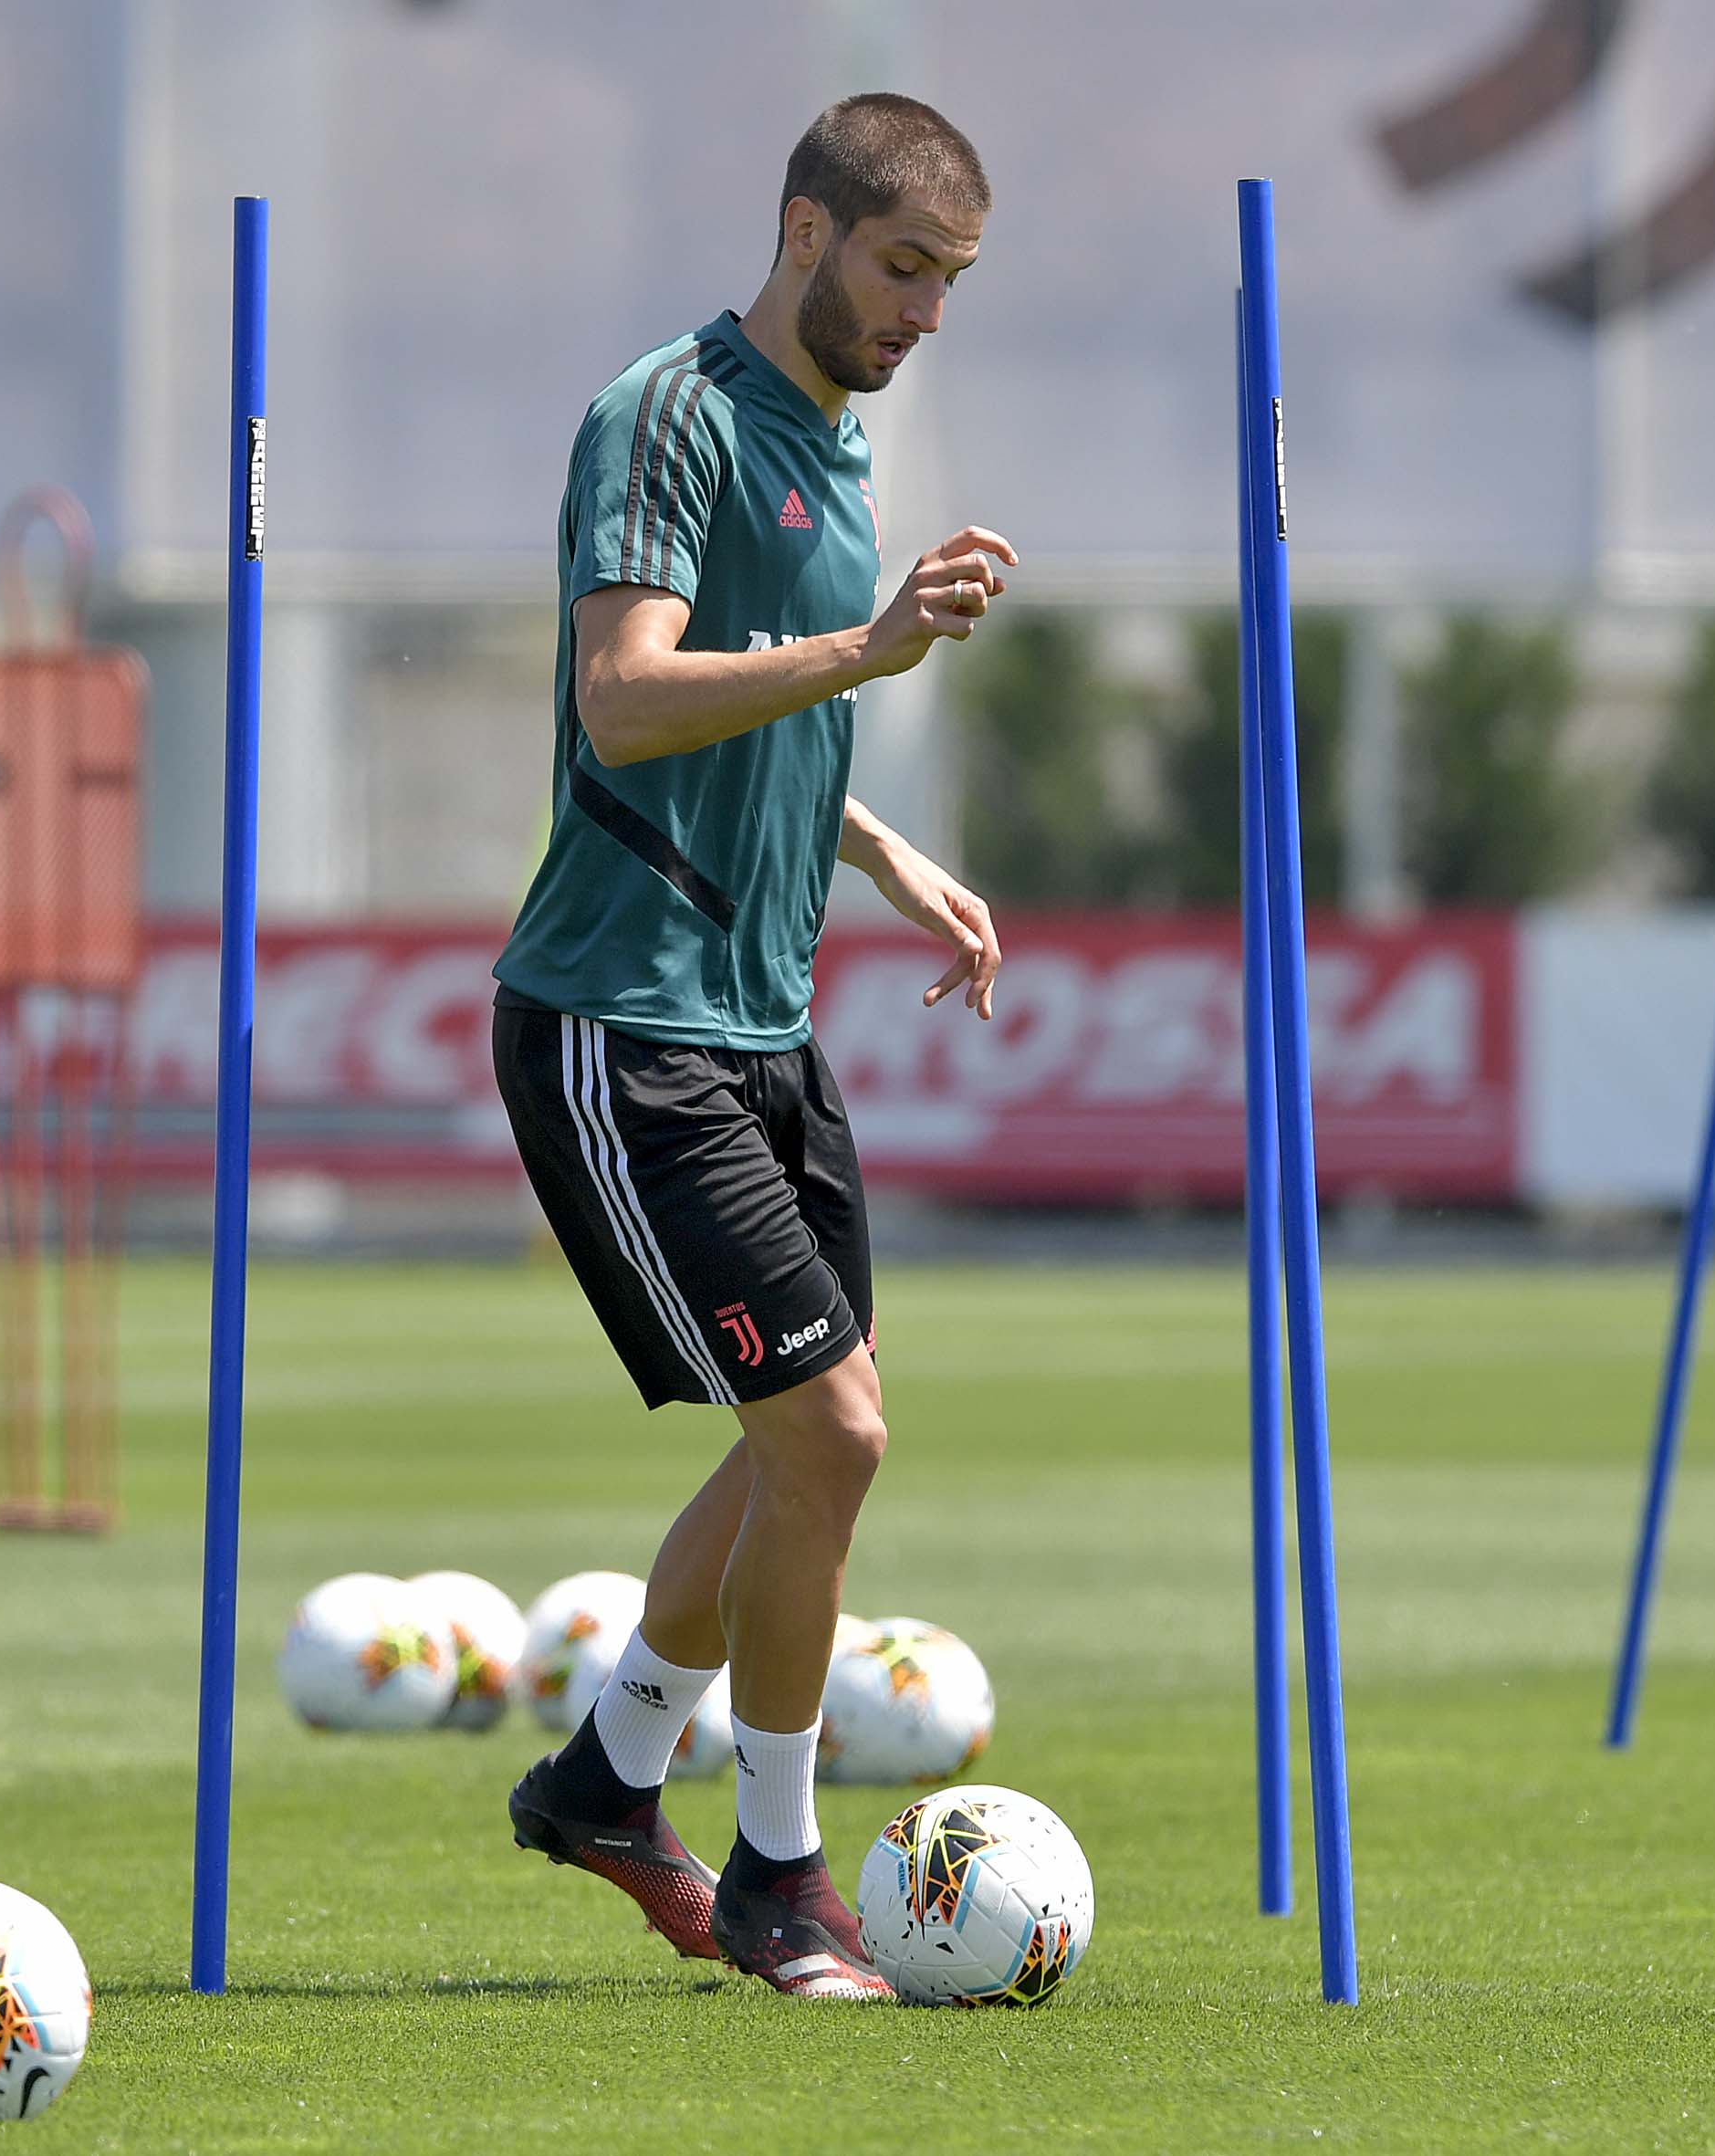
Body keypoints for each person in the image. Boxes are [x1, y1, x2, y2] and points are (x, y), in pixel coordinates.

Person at [488, 92, 1010, 2001]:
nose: (924, 312)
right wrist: (869, 654)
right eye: (902, 268)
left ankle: (605, 1778)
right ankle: (781, 1871)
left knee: (810, 1440)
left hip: (762, 1023)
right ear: (804, 233)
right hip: (620, 1023)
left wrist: (876, 847)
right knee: (830, 1433)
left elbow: (761, 716)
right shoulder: (669, 415)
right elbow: (626, 700)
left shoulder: (836, 438)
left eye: (949, 283)